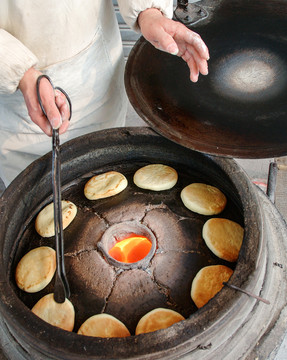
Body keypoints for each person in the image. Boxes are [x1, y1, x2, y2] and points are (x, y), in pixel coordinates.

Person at [0, 1, 209, 186]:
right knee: (32, 192)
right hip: (15, 110)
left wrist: (149, 11)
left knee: (108, 163)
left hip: (94, 73)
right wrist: (19, 72)